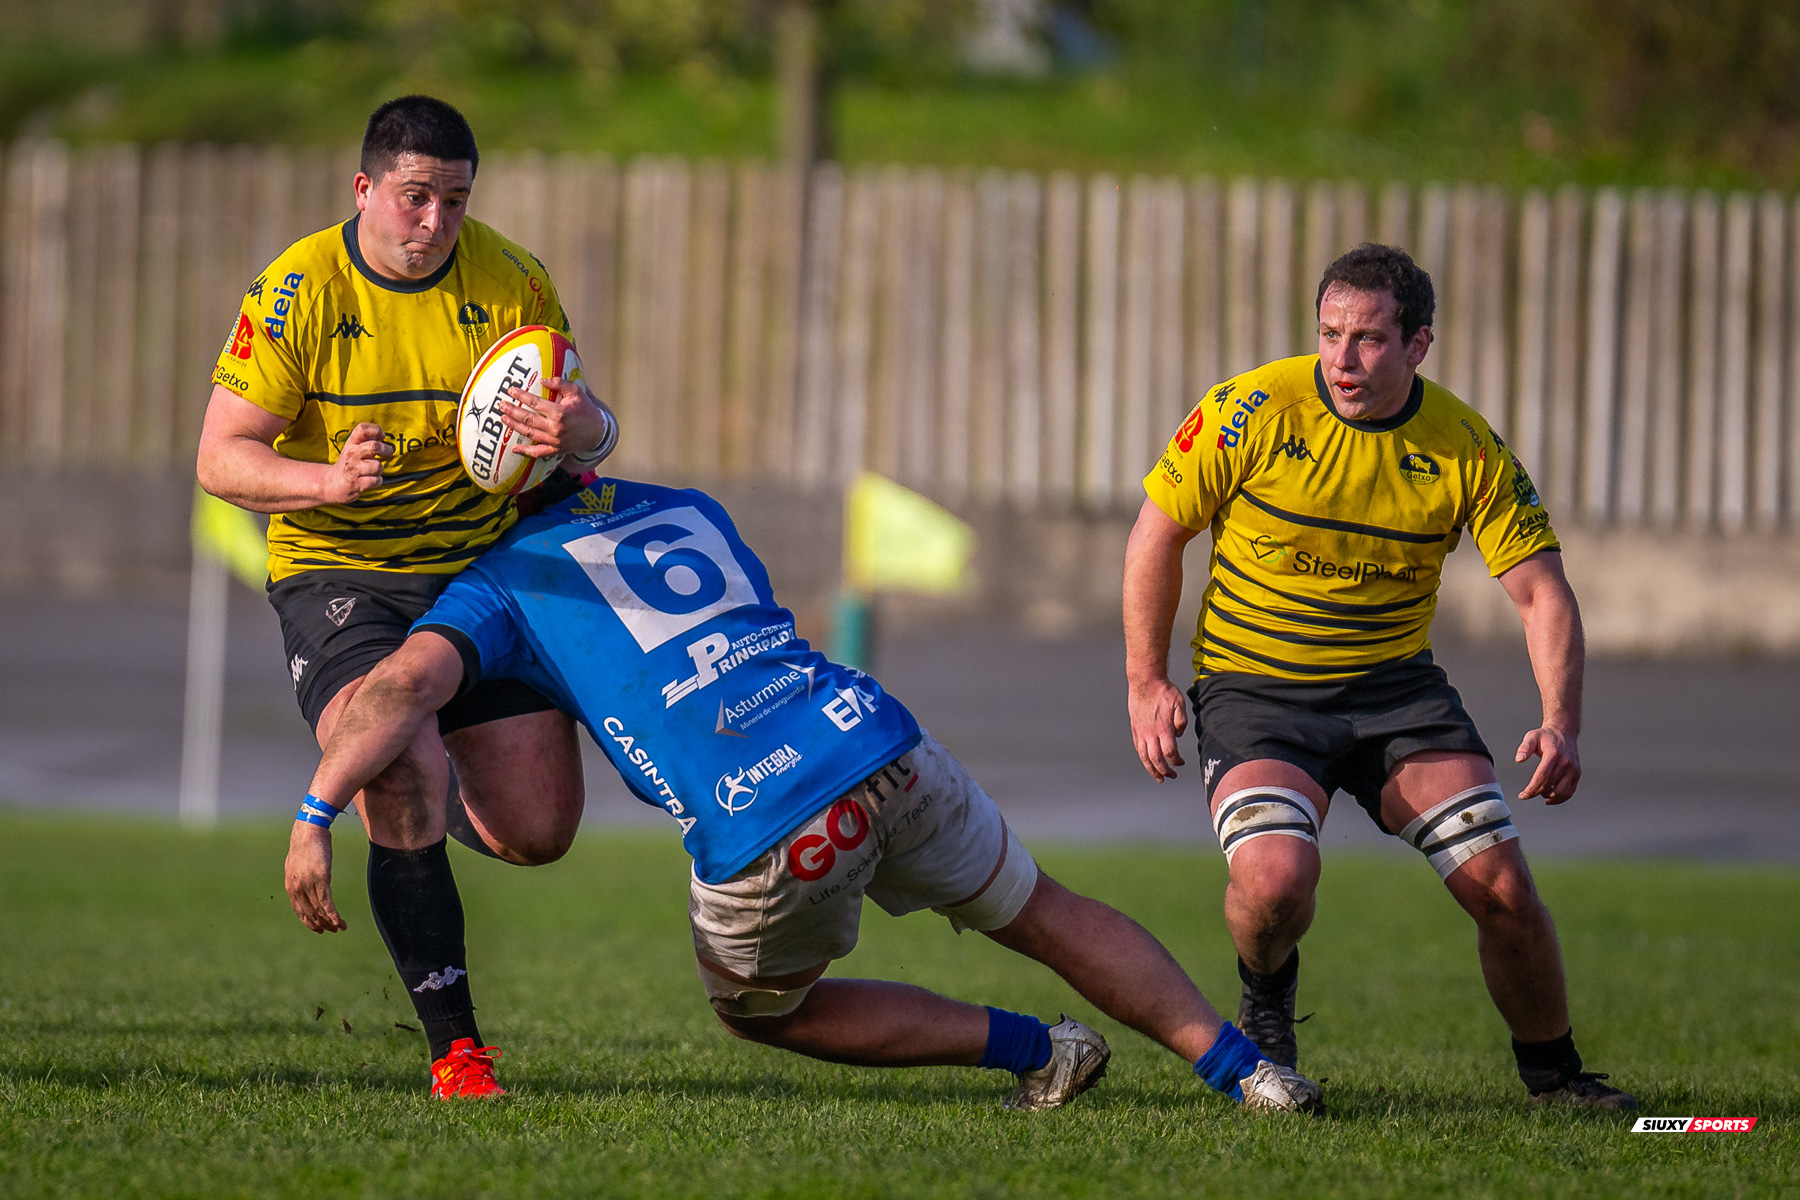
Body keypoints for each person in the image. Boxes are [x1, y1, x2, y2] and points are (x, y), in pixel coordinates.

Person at [284, 477, 1326, 1113]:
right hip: (876, 738)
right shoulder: (687, 507)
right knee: (1043, 909)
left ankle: (1038, 1050)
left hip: (771, 820)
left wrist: (318, 811)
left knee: (763, 1014)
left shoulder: (500, 581)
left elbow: (396, 691)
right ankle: (1249, 1073)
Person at [1120, 243, 1635, 1110]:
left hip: (1395, 692)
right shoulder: (1248, 411)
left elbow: (1543, 592)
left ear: (1418, 345)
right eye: (1329, 335)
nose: (1343, 360)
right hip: (1258, 690)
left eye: (1367, 339)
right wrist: (1147, 681)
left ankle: (1558, 1080)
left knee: (1503, 887)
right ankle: (1266, 999)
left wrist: (1561, 719)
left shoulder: (1466, 445)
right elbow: (1154, 538)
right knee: (1276, 883)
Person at [195, 95, 618, 1095]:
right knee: (400, 758)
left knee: (537, 831)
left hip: (477, 573)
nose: (435, 224)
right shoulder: (301, 289)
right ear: (366, 189)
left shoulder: (512, 279)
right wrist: (326, 483)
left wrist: (583, 432)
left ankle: (422, 799)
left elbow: (588, 423)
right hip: (341, 576)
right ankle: (457, 1051)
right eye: (416, 198)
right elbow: (221, 458)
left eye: (456, 201)